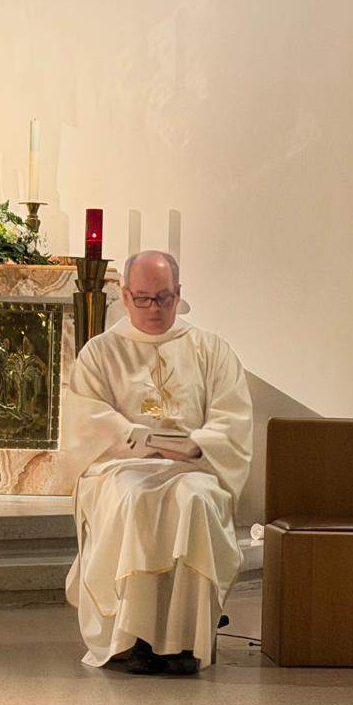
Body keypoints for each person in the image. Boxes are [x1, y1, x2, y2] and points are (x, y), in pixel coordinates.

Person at [64, 251, 253, 675]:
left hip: (192, 468)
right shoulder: (101, 352)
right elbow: (86, 419)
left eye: (164, 298)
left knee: (196, 501)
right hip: (122, 466)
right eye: (144, 299)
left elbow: (232, 417)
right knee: (134, 500)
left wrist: (197, 445)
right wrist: (137, 437)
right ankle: (132, 639)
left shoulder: (211, 350)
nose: (154, 308)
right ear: (125, 296)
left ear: (178, 294)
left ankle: (185, 641)